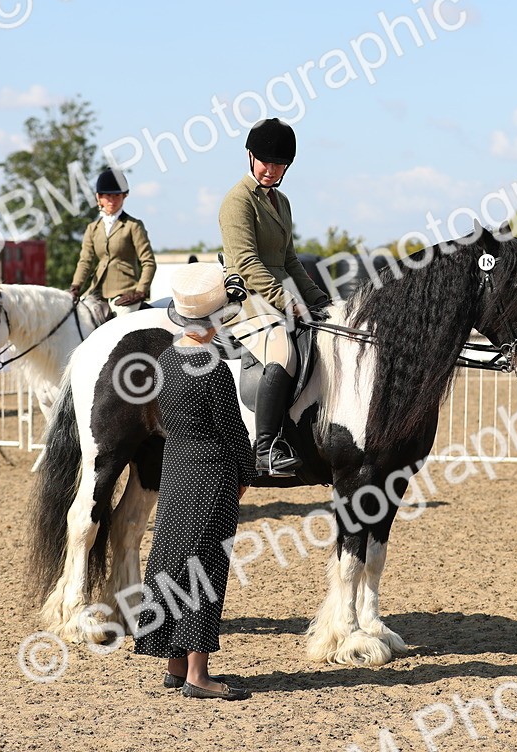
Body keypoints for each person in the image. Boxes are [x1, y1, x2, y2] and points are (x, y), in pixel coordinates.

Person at [133, 263, 254, 701]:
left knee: (171, 558)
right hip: (212, 474)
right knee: (205, 567)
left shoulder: (165, 359)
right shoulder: (213, 368)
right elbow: (234, 431)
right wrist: (248, 473)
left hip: (177, 468)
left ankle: (173, 662)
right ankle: (198, 675)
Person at [217, 117, 330, 476]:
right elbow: (248, 263)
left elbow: (289, 260)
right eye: (265, 161)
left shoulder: (281, 201)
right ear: (250, 156)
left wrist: (317, 298)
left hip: (281, 293)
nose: (271, 169)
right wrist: (288, 301)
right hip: (246, 296)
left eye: (279, 164)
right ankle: (264, 449)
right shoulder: (237, 201)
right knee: (281, 353)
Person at [69, 168, 156, 316]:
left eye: (117, 196)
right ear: (99, 197)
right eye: (108, 196)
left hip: (126, 293)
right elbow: (85, 261)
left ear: (124, 196)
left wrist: (140, 292)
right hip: (97, 291)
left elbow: (148, 263)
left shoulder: (133, 226)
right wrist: (76, 286)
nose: (112, 200)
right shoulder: (93, 228)